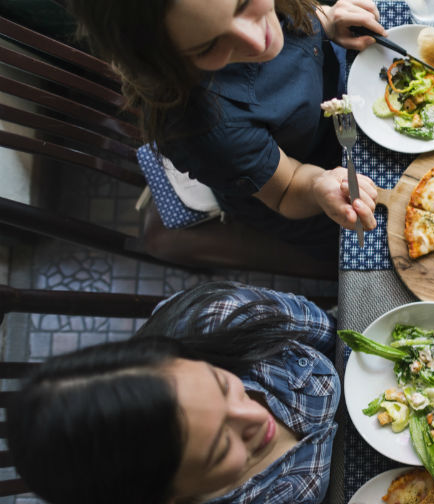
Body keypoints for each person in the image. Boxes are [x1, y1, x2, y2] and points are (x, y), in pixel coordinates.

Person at [67, 0, 387, 261]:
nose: (255, 40)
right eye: (208, 46)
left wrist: (326, 19)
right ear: (165, 63)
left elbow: (303, 12)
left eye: (244, 3)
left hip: (343, 107)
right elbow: (287, 189)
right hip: (302, 187)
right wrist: (320, 184)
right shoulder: (204, 126)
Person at [10, 282, 340, 504]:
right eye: (222, 447)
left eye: (223, 385)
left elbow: (339, 331)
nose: (255, 415)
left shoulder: (224, 317)